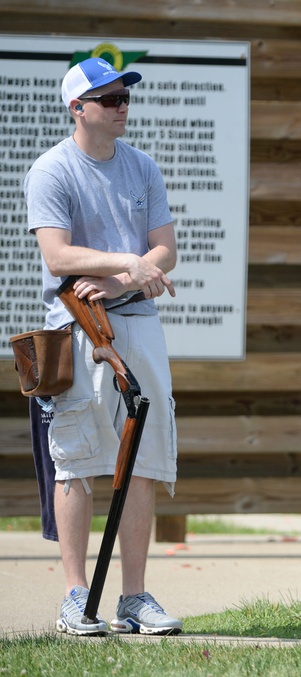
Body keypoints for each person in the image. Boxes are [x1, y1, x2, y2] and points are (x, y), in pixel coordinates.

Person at [23, 57, 183, 636]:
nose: (122, 106)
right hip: (75, 326)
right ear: (78, 108)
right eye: (109, 98)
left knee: (143, 460)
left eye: (125, 96)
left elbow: (165, 250)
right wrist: (129, 261)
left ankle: (134, 597)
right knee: (77, 461)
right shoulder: (51, 170)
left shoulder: (142, 167)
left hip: (137, 319)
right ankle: (74, 596)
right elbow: (58, 257)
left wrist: (123, 278)